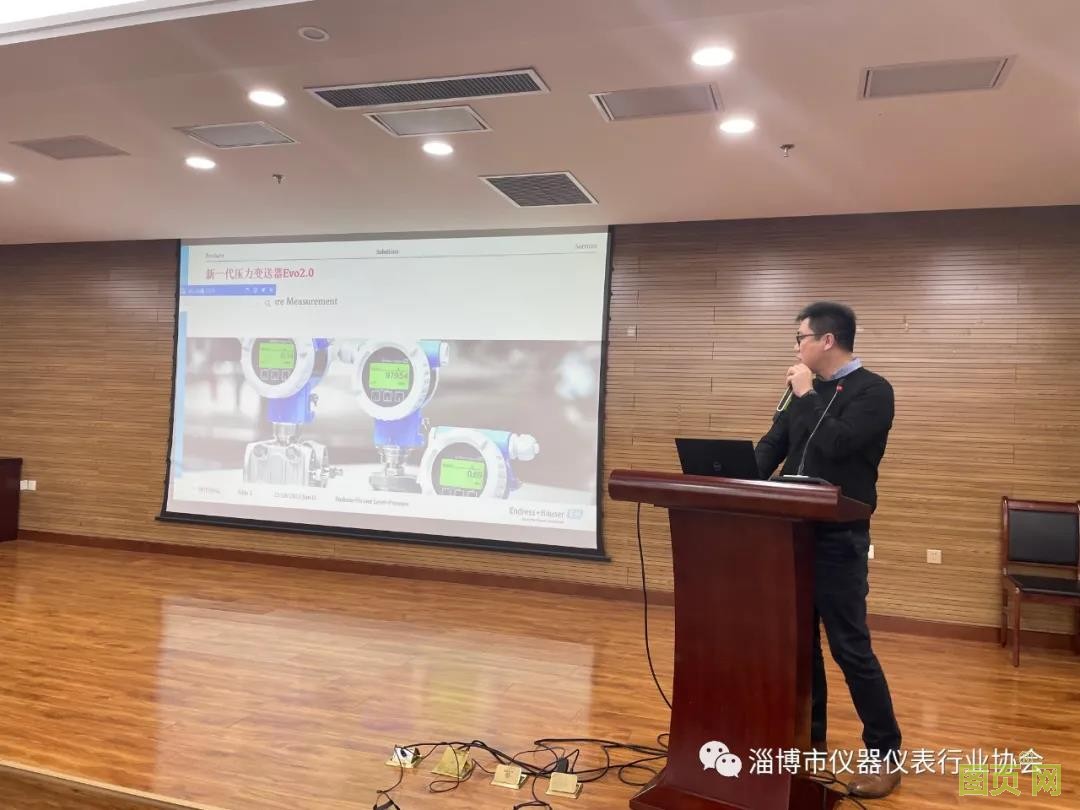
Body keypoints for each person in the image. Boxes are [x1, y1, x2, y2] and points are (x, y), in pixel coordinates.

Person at [755, 301, 902, 799]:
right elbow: (772, 446)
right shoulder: (801, 392)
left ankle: (885, 754)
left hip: (840, 539)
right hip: (790, 533)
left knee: (849, 648)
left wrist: (806, 395)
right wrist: (732, 477)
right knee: (800, 645)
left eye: (800, 337)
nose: (796, 347)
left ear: (827, 340)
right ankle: (811, 739)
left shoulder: (873, 391)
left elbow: (838, 445)